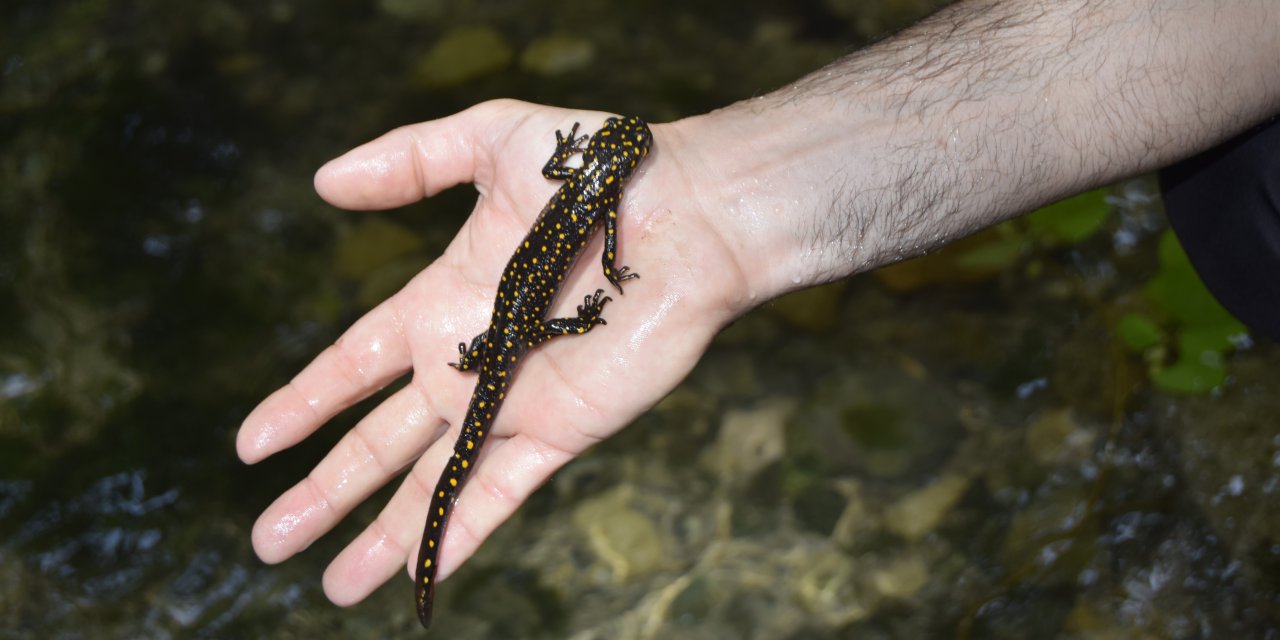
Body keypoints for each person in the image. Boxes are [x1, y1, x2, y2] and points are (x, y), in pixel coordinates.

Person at [236, 0, 1280, 612]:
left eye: (617, 150)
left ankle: (426, 571)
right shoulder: (593, 198)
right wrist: (616, 282)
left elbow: (587, 223)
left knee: (482, 408)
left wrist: (582, 306)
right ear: (605, 164)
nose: (619, 148)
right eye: (619, 149)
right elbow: (596, 234)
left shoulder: (585, 192)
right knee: (473, 424)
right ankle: (424, 574)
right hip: (512, 333)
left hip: (506, 335)